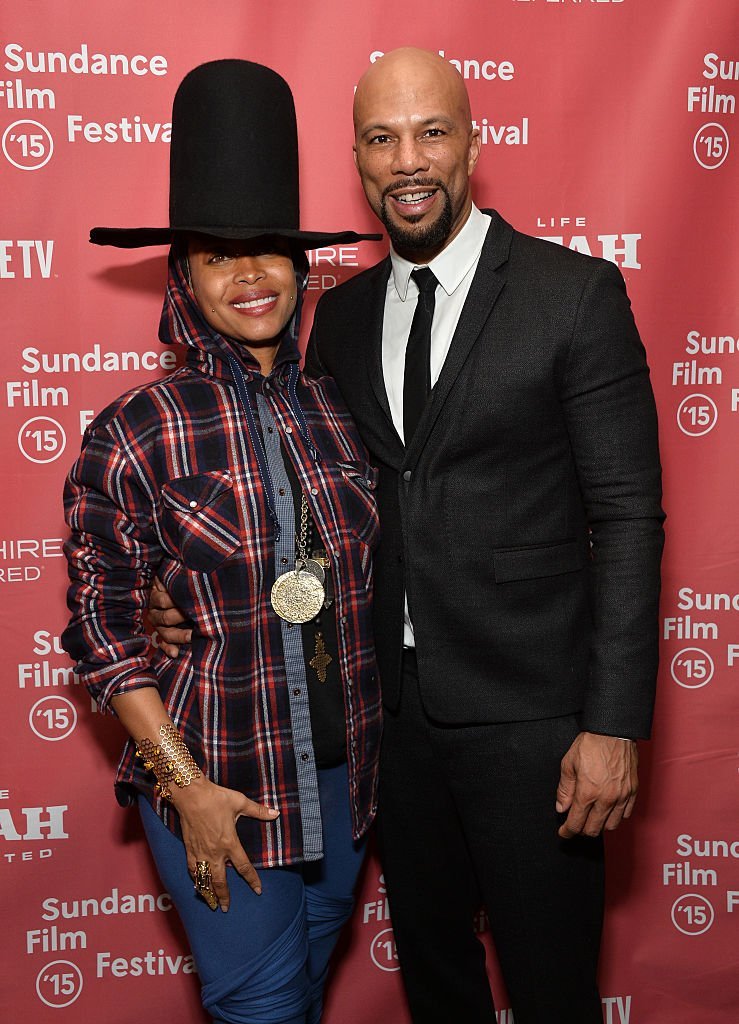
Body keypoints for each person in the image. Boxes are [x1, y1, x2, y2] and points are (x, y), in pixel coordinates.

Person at [153, 47, 665, 1024]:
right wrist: (171, 589)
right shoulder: (334, 316)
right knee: (435, 978)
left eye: (431, 131)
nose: (408, 160)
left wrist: (612, 724)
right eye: (383, 139)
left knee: (552, 984)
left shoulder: (575, 294)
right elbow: (295, 495)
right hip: (386, 722)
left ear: (473, 141)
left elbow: (628, 518)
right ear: (357, 159)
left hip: (538, 726)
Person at [62, 60, 382, 1024]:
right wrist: (186, 788)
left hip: (347, 781)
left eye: (270, 250)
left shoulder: (341, 406)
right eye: (215, 254)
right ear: (182, 276)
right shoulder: (136, 427)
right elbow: (102, 634)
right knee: (260, 1007)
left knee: (301, 995)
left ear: (299, 263)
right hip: (222, 780)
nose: (250, 275)